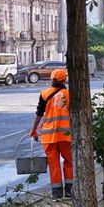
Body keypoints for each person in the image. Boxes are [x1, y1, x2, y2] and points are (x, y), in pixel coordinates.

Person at [29, 68, 73, 199]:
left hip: (48, 137)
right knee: (69, 162)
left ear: (51, 79)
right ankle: (70, 191)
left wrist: (33, 130)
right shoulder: (68, 94)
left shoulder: (44, 94)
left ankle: (57, 194)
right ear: (64, 80)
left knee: (54, 164)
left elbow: (39, 114)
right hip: (66, 135)